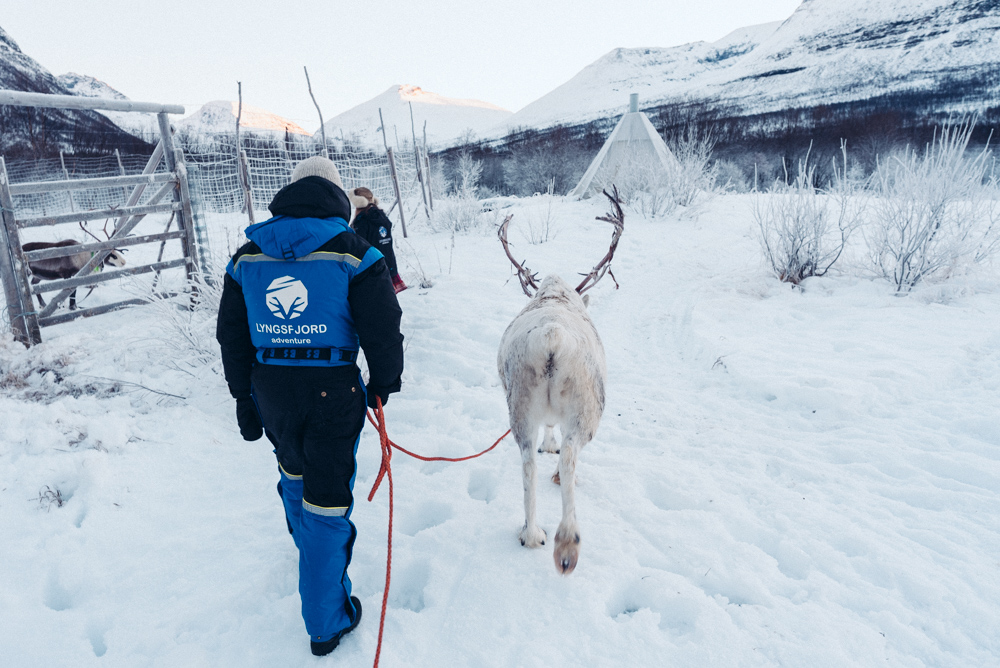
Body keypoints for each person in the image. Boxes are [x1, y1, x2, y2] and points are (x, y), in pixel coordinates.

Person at [216, 156, 404, 656]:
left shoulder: (246, 257)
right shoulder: (355, 252)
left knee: (294, 478)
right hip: (332, 394)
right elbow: (383, 328)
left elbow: (232, 337)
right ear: (338, 197)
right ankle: (327, 621)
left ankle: (312, 559)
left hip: (271, 391)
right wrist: (384, 383)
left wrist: (243, 397)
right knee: (327, 504)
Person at [348, 187, 407, 293]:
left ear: (359, 202)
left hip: (370, 271)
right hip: (389, 266)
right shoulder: (382, 217)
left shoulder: (362, 222)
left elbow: (358, 248)